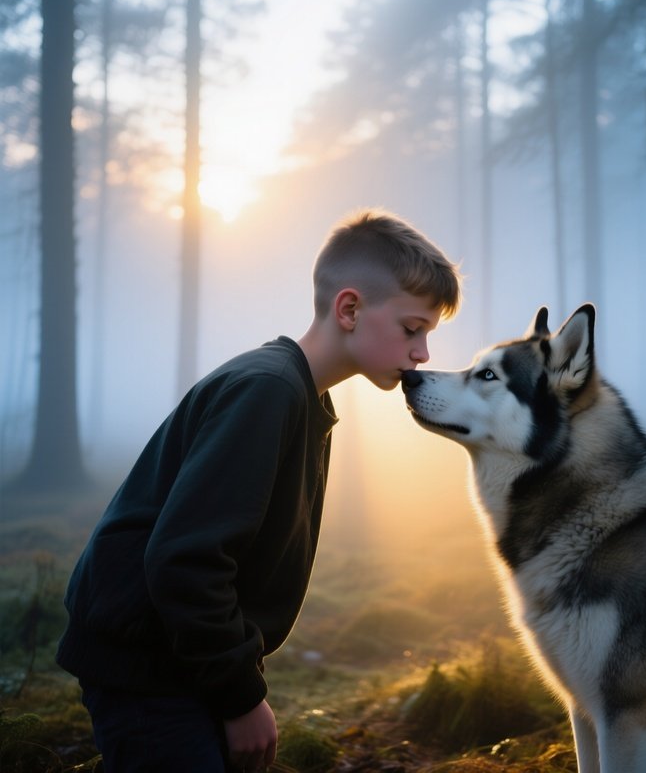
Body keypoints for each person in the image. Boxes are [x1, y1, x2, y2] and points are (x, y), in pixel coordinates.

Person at [56, 208, 461, 773]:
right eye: (412, 329)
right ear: (350, 308)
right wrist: (241, 697)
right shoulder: (267, 390)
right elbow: (185, 559)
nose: (422, 354)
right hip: (147, 664)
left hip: (176, 659)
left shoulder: (299, 395)